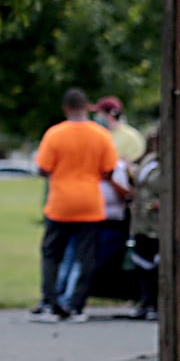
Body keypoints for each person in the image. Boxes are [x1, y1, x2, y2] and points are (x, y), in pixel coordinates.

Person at [32, 88, 121, 324]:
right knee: (86, 257)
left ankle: (51, 303)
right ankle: (76, 305)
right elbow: (108, 170)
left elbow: (43, 168)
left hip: (61, 202)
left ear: (66, 108)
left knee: (52, 254)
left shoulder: (55, 134)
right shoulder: (100, 135)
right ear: (87, 107)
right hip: (90, 202)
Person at [127, 134, 162, 320]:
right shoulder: (149, 160)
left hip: (159, 223)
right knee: (141, 260)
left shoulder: (173, 163)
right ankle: (146, 301)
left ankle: (157, 303)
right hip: (142, 220)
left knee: (157, 264)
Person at [92, 96, 146, 164]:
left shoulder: (132, 137)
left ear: (111, 115)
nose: (97, 117)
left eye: (99, 114)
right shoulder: (100, 134)